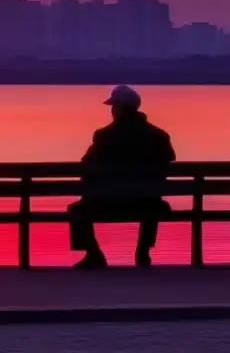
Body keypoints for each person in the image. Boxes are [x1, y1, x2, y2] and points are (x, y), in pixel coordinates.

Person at [67, 84, 176, 268]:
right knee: (152, 198)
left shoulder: (104, 136)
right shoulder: (159, 136)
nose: (112, 110)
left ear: (119, 108)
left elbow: (86, 166)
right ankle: (142, 251)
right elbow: (169, 159)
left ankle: (93, 253)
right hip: (148, 203)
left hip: (107, 203)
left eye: (113, 106)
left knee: (76, 209)